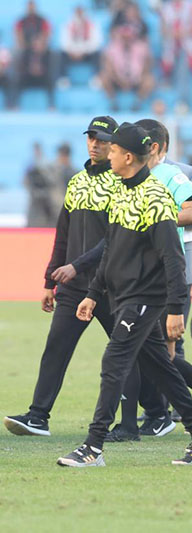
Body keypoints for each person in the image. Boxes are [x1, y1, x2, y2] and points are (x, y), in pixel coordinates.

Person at [57, 123, 192, 467]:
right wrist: (93, 293)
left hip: (146, 298)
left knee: (114, 360)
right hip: (123, 295)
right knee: (160, 367)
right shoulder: (120, 192)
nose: (109, 155)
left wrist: (176, 308)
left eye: (114, 150)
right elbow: (110, 250)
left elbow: (173, 258)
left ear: (129, 157)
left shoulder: (155, 198)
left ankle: (93, 446)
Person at [104, 118, 192, 441]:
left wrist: (154, 220)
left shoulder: (171, 175)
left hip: (163, 275)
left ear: (153, 147)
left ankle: (180, 413)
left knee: (161, 354)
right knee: (154, 355)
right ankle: (189, 411)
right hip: (138, 276)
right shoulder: (126, 181)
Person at [4, 117, 119, 437]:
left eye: (102, 140)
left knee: (133, 353)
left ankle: (155, 412)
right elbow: (63, 234)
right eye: (91, 138)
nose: (95, 144)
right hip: (73, 285)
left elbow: (112, 239)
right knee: (56, 348)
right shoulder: (77, 181)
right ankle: (38, 416)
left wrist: (76, 266)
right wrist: (49, 282)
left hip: (110, 284)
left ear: (115, 145)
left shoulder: (120, 183)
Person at [9, 0, 57, 109]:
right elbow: (18, 35)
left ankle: (52, 105)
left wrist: (40, 44)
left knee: (52, 58)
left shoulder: (42, 20)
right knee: (16, 55)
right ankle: (14, 104)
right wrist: (26, 46)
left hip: (41, 46)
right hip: (25, 48)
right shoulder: (21, 20)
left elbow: (47, 34)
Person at [157, 0, 192, 110]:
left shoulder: (191, 7)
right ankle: (167, 103)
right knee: (168, 68)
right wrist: (172, 34)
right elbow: (162, 30)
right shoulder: (166, 9)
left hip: (186, 46)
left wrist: (182, 33)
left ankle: (182, 102)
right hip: (170, 46)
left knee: (183, 70)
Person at [100, 25, 154, 112]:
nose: (126, 39)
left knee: (149, 80)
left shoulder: (142, 47)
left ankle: (137, 103)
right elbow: (108, 67)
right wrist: (120, 80)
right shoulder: (112, 47)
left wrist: (138, 77)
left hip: (137, 79)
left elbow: (147, 66)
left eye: (129, 37)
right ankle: (113, 102)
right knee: (104, 77)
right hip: (117, 79)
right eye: (124, 37)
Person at [58, 5, 102, 86]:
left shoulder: (92, 24)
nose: (79, 14)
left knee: (97, 53)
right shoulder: (68, 24)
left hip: (87, 53)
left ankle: (96, 78)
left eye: (81, 12)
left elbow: (96, 42)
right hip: (71, 54)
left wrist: (83, 51)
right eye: (77, 12)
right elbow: (64, 42)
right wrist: (73, 52)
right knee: (61, 54)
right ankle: (63, 78)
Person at [24, 143, 58, 227]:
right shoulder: (31, 165)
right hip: (35, 199)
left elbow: (52, 181)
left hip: (46, 200)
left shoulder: (47, 164)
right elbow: (26, 181)